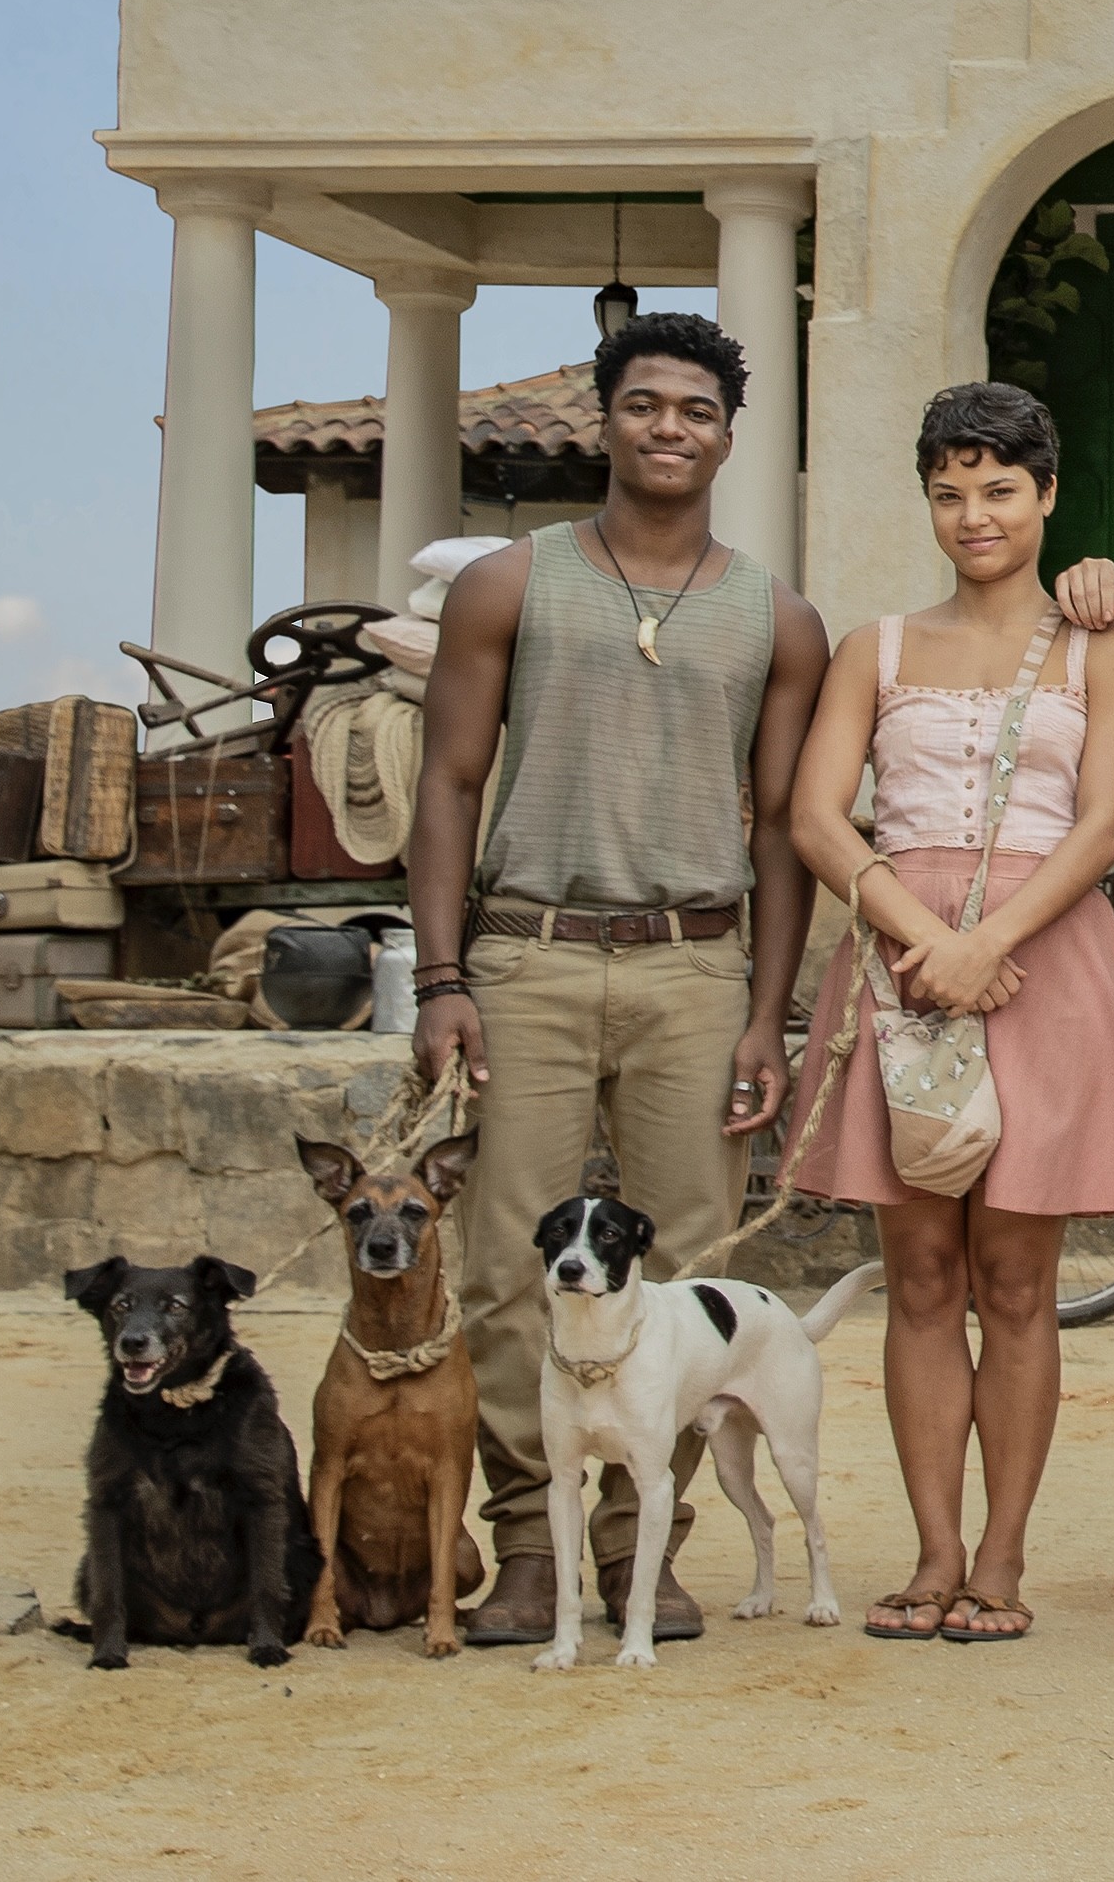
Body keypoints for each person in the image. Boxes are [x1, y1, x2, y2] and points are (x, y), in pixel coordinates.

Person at [405, 307, 830, 1648]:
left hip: (694, 963)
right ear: (605, 415)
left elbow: (777, 828)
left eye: (694, 409)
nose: (667, 427)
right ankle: (529, 1544)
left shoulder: (778, 614)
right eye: (643, 402)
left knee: (687, 1266)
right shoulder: (511, 583)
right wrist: (435, 976)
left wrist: (769, 1009)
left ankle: (645, 1542)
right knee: (502, 1262)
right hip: (525, 954)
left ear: (726, 432)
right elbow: (449, 782)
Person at [784, 379, 1114, 1641]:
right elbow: (813, 815)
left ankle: (1001, 1559)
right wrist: (926, 937)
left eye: (999, 489)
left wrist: (987, 939)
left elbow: (1106, 822)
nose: (973, 515)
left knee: (1016, 1276)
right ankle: (931, 1552)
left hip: (1039, 958)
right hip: (904, 962)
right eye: (949, 493)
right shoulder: (873, 648)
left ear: (1047, 495)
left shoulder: (1098, 649)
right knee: (919, 1273)